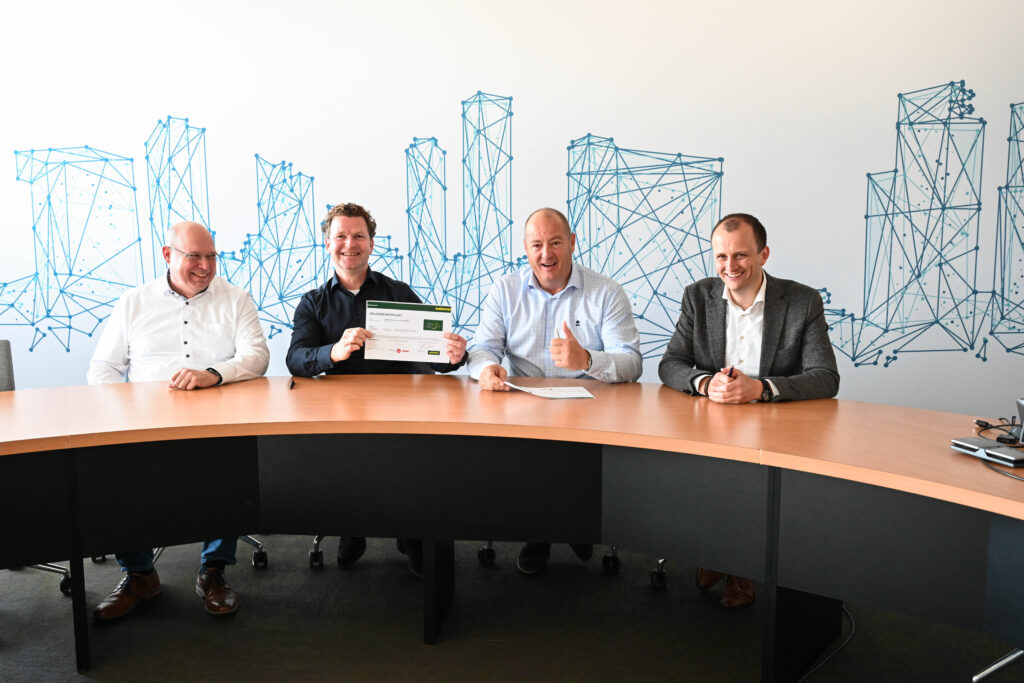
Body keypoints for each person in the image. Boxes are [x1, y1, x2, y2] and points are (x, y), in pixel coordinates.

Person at [87, 221, 270, 619]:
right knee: (109, 470)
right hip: (145, 423)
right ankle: (140, 575)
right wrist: (121, 411)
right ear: (169, 255)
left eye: (211, 257)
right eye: (194, 256)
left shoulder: (236, 299)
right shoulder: (134, 302)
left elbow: (257, 357)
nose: (205, 266)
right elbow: (103, 367)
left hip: (216, 420)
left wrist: (213, 374)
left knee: (231, 462)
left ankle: (213, 571)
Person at [659, 212, 839, 609]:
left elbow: (826, 377)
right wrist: (705, 383)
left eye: (740, 255)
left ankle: (741, 571)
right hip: (712, 424)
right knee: (705, 477)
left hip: (774, 428)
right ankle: (717, 557)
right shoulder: (698, 297)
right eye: (721, 257)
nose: (730, 266)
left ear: (763, 255)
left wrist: (760, 388)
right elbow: (670, 364)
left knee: (750, 486)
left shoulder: (801, 301)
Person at [285, 202, 468, 576]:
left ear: (371, 243)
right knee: (349, 466)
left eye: (358, 236)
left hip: (400, 409)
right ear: (327, 243)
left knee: (408, 468)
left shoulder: (398, 293)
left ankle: (410, 534)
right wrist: (332, 352)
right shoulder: (313, 303)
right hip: (339, 414)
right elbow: (295, 359)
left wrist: (455, 355)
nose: (349, 244)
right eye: (340, 236)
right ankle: (352, 528)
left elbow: (436, 357)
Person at [467, 207, 642, 575]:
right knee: (530, 458)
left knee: (571, 460)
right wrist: (486, 370)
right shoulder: (506, 290)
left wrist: (587, 359)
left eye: (556, 243)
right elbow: (482, 347)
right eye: (537, 245)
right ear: (526, 249)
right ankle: (544, 534)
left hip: (589, 411)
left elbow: (632, 362)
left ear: (573, 242)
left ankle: (574, 524)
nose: (546, 254)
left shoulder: (606, 292)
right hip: (525, 408)